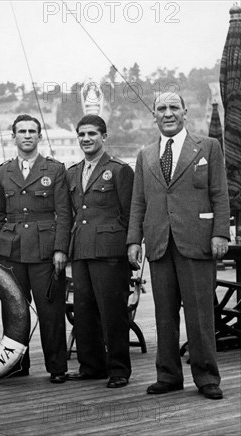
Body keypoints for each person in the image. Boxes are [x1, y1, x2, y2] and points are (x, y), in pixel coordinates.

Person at [127, 92, 230, 400]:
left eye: (174, 107)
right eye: (161, 108)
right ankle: (168, 375)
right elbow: (138, 201)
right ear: (154, 115)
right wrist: (134, 239)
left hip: (196, 242)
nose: (168, 113)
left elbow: (220, 194)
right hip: (159, 243)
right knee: (164, 314)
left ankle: (207, 377)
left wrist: (220, 234)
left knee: (200, 315)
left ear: (186, 111)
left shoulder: (208, 147)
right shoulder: (146, 154)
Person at [0, 114, 71, 383]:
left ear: (39, 136)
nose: (27, 135)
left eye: (32, 131)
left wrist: (60, 249)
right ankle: (16, 364)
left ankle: (57, 366)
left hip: (45, 251)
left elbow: (64, 213)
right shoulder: (2, 172)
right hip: (11, 251)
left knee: (50, 309)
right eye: (21, 131)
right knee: (14, 309)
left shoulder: (55, 170)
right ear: (13, 136)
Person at [65, 114, 133, 388]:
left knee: (112, 312)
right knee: (83, 310)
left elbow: (130, 214)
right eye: (81, 134)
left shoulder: (119, 170)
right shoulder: (72, 172)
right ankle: (91, 365)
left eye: (92, 134)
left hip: (109, 252)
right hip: (81, 249)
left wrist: (131, 248)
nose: (86, 139)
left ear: (104, 137)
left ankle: (118, 369)